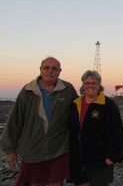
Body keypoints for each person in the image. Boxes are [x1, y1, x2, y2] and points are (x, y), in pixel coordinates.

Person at [0, 57, 78, 186]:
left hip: (58, 149)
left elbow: (79, 115)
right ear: (40, 70)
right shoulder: (28, 91)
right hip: (32, 150)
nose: (50, 71)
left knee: (56, 183)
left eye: (54, 68)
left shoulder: (67, 89)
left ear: (60, 71)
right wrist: (10, 150)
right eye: (46, 68)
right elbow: (15, 121)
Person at [69, 70, 123, 186]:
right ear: (83, 85)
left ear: (99, 85)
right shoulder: (75, 104)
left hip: (100, 161)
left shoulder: (108, 105)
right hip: (79, 160)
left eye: (94, 83)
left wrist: (113, 156)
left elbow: (117, 132)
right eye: (87, 83)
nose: (90, 86)